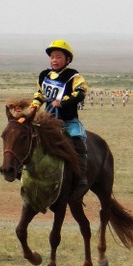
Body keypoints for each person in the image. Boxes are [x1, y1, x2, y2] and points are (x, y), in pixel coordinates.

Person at [31, 39, 89, 188]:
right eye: (52, 57)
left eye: (58, 57)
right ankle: (22, 170)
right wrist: (33, 109)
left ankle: (82, 176)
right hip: (48, 119)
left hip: (68, 120)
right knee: (27, 137)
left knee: (78, 140)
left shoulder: (73, 76)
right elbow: (40, 95)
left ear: (67, 59)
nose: (54, 60)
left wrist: (61, 102)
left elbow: (80, 93)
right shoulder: (44, 75)